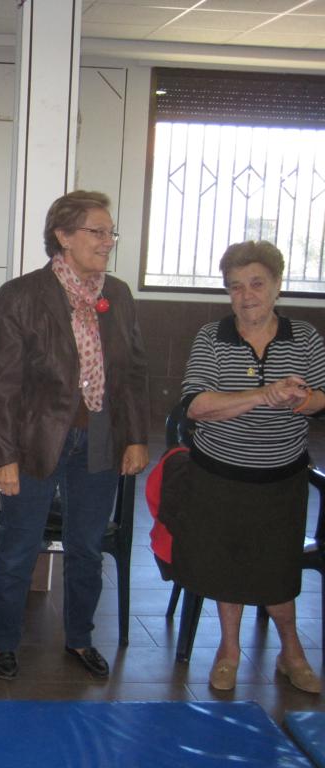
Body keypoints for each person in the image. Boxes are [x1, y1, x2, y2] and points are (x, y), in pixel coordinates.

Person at [0, 190, 149, 682]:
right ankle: (3, 640)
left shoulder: (118, 295)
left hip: (100, 438)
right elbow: (3, 384)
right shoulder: (23, 295)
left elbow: (133, 373)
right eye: (98, 231)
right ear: (64, 236)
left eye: (111, 232)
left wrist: (136, 437)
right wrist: (3, 456)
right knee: (20, 545)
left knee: (87, 548)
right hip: (36, 439)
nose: (108, 241)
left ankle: (79, 637)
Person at [172, 240, 325, 694]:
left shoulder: (305, 337)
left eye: (257, 284)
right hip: (219, 477)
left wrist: (299, 398)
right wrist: (262, 395)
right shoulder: (211, 337)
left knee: (279, 572)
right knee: (227, 567)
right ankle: (229, 651)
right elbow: (196, 407)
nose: (246, 295)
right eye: (236, 287)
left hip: (282, 480)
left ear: (277, 286)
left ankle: (291, 652)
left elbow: (322, 398)